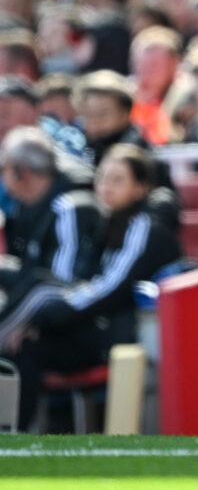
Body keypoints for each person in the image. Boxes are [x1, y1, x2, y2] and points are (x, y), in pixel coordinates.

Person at [0, 143, 181, 430]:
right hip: (92, 326)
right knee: (28, 335)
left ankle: (14, 430)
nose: (106, 187)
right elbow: (83, 281)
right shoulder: (108, 222)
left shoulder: (144, 226)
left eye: (118, 180)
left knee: (40, 298)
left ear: (140, 188)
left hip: (116, 336)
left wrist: (48, 316)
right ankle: (13, 431)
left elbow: (110, 289)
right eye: (103, 178)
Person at [0, 126, 99, 291]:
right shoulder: (29, 203)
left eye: (4, 168)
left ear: (21, 172)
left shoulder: (71, 207)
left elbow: (59, 288)